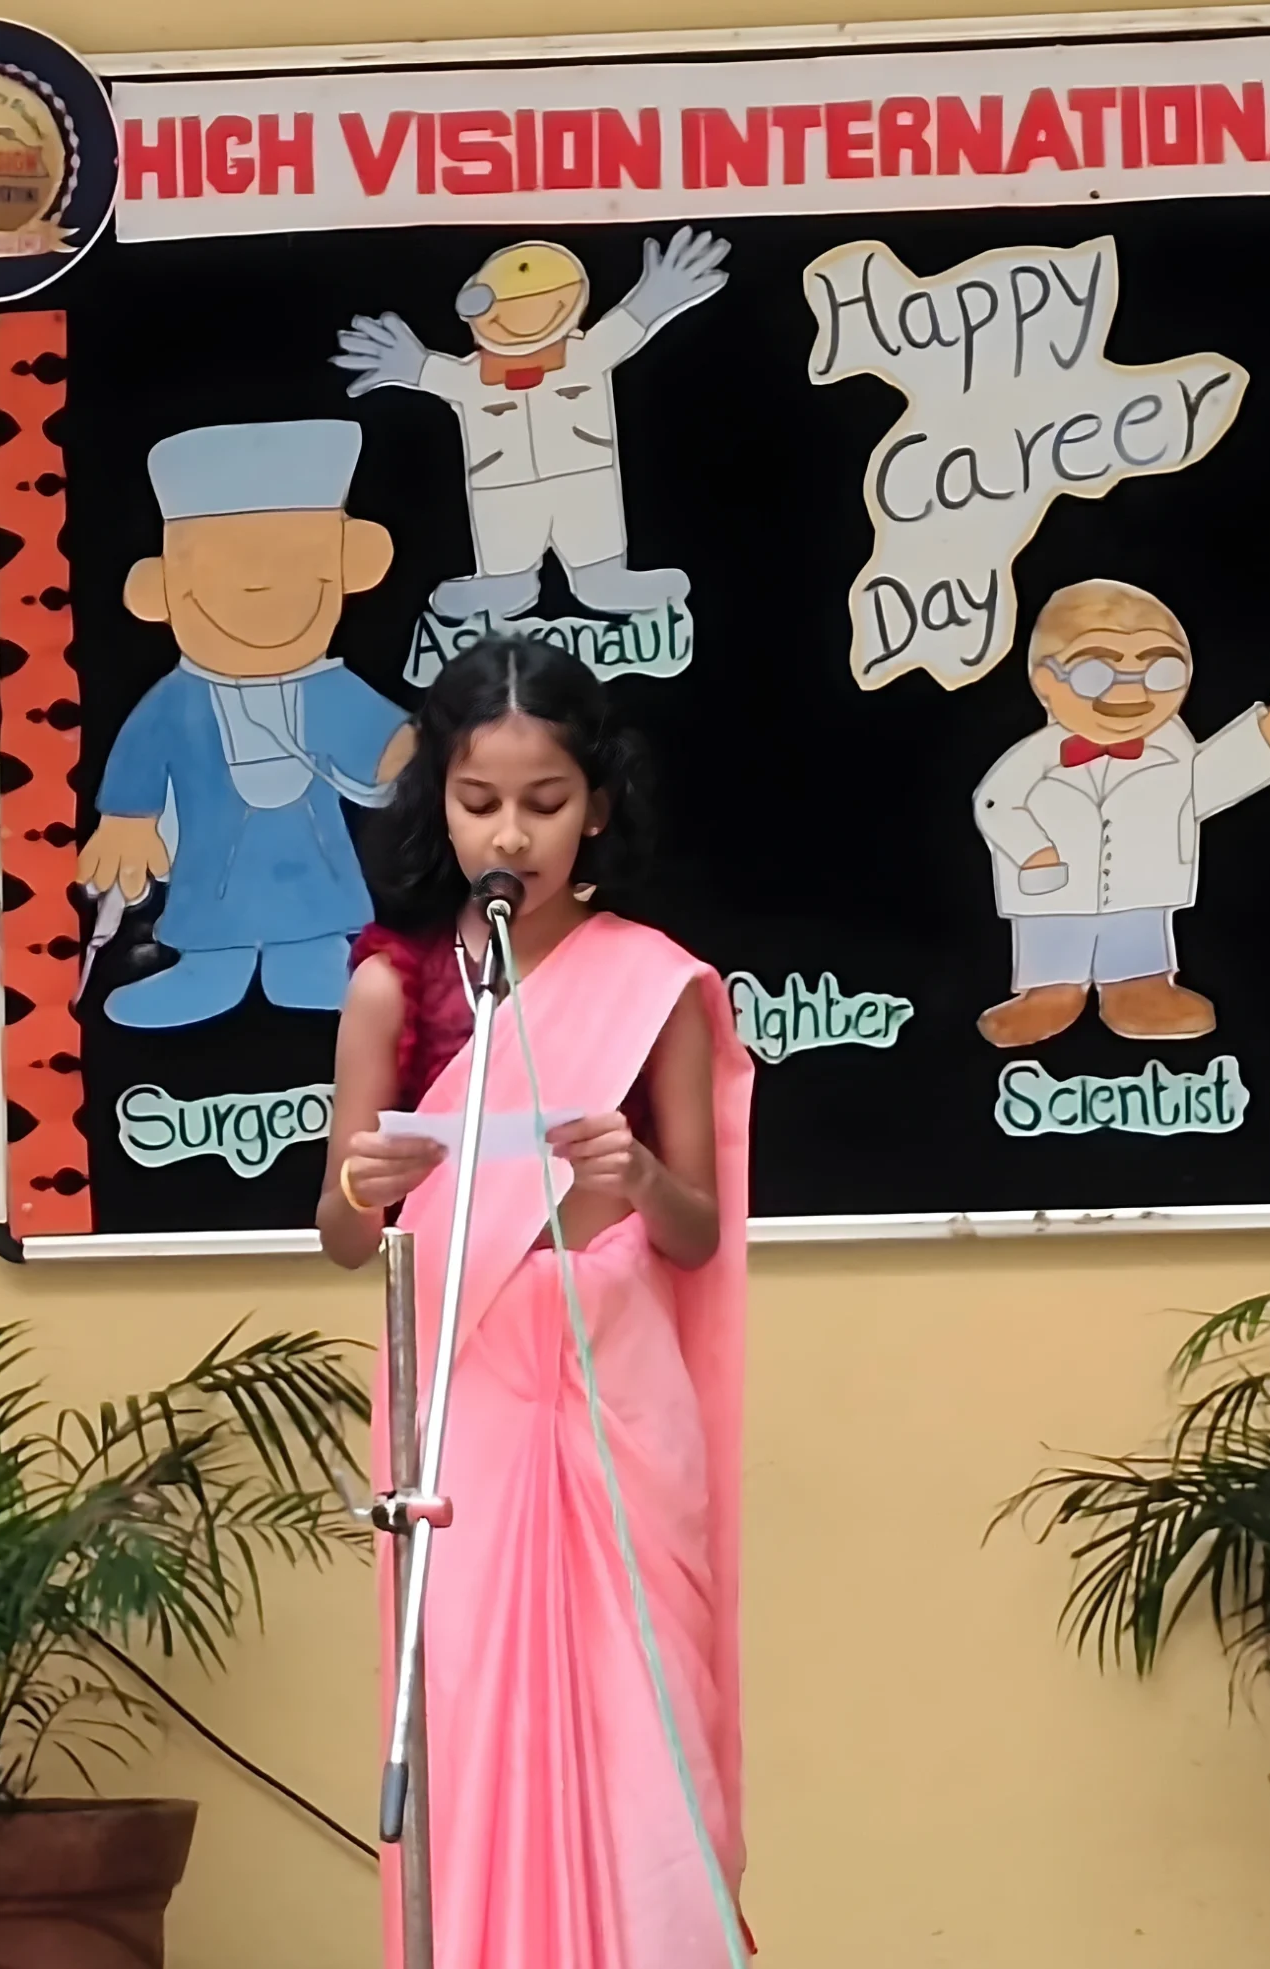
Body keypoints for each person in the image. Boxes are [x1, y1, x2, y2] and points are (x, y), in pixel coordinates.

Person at [317, 634, 754, 1969]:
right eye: (479, 801)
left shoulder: (654, 981)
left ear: (597, 806)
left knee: (642, 1727)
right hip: (469, 1424)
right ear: (439, 805)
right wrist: (368, 1183)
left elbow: (697, 1230)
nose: (510, 834)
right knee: (471, 1718)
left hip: (618, 1414)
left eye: (545, 802)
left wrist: (638, 1178)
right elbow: (342, 1236)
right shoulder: (393, 983)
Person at [77, 420, 415, 1027]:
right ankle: (208, 975)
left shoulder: (329, 687)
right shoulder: (175, 701)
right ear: (159, 591)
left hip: (309, 850)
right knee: (212, 919)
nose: (258, 586)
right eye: (213, 571)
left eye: (297, 565)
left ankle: (313, 968)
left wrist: (423, 756)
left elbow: (390, 747)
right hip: (211, 856)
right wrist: (127, 821)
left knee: (315, 927)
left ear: (351, 566)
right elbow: (140, 757)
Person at [972, 579, 1270, 1047]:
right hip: (1056, 888)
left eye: (1161, 671)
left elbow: (1208, 786)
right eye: (1096, 673)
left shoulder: (1172, 746)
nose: (1131, 692)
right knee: (1055, 942)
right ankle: (1051, 994)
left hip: (1142, 882)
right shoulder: (1036, 756)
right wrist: (1033, 851)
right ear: (1046, 681)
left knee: (1135, 940)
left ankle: (1138, 990)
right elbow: (994, 804)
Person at [333, 229, 730, 621]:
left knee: (593, 540)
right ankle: (505, 584)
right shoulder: (473, 377)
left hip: (582, 475)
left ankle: (603, 579)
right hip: (503, 484)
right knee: (507, 548)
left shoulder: (586, 355)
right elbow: (427, 372)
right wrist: (404, 362)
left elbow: (630, 324)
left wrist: (657, 295)